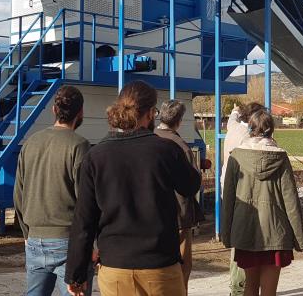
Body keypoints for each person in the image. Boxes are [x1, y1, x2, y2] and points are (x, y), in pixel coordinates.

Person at [65, 81, 201, 296]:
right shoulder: (166, 151)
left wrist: (75, 273)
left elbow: (84, 221)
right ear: (149, 113)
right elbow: (190, 184)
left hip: (115, 266)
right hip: (161, 265)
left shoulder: (95, 157)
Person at [14, 85, 93, 296]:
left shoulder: (30, 143)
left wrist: (26, 234)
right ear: (81, 112)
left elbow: (19, 194)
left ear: (54, 110)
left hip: (34, 239)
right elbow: (86, 202)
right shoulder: (80, 146)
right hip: (68, 242)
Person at [221, 109, 303, 296]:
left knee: (249, 288)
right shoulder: (281, 157)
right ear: (271, 130)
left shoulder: (236, 156)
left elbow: (228, 199)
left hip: (244, 230)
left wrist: (226, 235)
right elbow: (290, 200)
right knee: (270, 292)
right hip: (275, 233)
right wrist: (299, 239)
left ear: (250, 128)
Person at [154, 99, 205, 288]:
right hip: (178, 215)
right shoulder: (181, 146)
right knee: (182, 265)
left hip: (153, 214)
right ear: (180, 120)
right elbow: (192, 184)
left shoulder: (149, 139)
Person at [222, 101, 265, 296]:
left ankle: (238, 286)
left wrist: (235, 110)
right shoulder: (248, 137)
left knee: (236, 235)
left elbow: (232, 117)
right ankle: (239, 286)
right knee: (243, 240)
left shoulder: (232, 126)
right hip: (243, 190)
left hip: (228, 187)